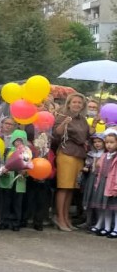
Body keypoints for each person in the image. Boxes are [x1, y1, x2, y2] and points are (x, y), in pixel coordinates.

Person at [52, 93, 90, 232]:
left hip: (79, 155)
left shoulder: (83, 119)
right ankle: (59, 218)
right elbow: (56, 133)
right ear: (68, 104)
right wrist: (64, 123)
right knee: (64, 187)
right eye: (74, 102)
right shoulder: (62, 116)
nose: (77, 104)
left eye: (80, 102)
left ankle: (66, 217)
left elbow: (86, 136)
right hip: (66, 153)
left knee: (71, 188)